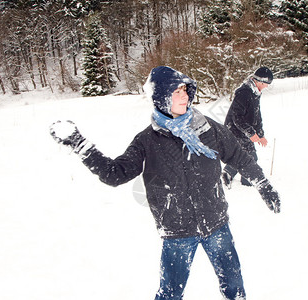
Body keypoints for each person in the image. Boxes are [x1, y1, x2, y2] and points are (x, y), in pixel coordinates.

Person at [49, 66, 280, 300]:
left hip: (216, 223)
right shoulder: (146, 141)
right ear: (160, 97)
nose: (184, 96)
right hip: (178, 231)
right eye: (176, 92)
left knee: (234, 287)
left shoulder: (207, 128)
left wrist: (263, 184)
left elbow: (239, 156)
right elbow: (114, 173)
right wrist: (81, 146)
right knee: (170, 294)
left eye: (185, 90)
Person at [222, 67, 273, 189]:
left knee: (244, 155)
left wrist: (260, 135)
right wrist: (250, 133)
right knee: (250, 157)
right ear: (260, 81)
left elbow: (256, 115)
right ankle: (247, 182)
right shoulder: (244, 93)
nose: (266, 87)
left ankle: (228, 173)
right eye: (266, 84)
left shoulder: (255, 93)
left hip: (243, 130)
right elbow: (237, 117)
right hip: (234, 129)